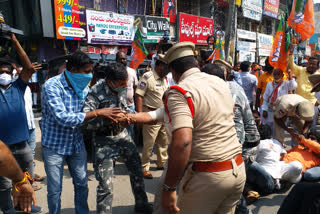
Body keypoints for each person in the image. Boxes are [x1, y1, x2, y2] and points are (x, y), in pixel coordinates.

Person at [160, 42, 245, 214]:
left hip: (209, 177)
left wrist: (169, 188)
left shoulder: (179, 91)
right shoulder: (219, 82)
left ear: (173, 72)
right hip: (237, 170)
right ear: (197, 64)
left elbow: (183, 143)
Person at [41, 51, 121, 214]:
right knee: (55, 190)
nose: (89, 75)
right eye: (86, 72)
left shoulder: (83, 88)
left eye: (90, 71)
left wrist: (113, 115)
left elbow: (91, 110)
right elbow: (62, 118)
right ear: (72, 69)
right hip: (54, 145)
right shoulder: (52, 86)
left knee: (82, 184)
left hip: (76, 143)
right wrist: (97, 113)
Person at [83, 63, 152, 214]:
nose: (125, 86)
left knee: (137, 172)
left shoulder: (120, 87)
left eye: (126, 83)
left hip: (122, 135)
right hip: (103, 139)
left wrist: (127, 117)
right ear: (110, 82)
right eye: (121, 84)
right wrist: (108, 118)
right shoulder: (95, 92)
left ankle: (142, 205)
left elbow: (124, 108)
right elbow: (86, 123)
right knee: (106, 185)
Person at [201, 61, 260, 214]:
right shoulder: (226, 88)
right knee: (231, 187)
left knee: (230, 187)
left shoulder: (228, 93)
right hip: (242, 143)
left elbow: (237, 131)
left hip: (245, 145)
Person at [0, 33, 42, 213]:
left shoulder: (18, 87)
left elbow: (28, 67)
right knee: (4, 183)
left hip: (22, 145)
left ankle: (25, 205)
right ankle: (8, 208)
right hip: (3, 149)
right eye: (1, 72)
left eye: (7, 72)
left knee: (27, 177)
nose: (4, 75)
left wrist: (15, 42)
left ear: (13, 74)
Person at [135, 55, 169, 179]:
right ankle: (145, 168)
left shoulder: (165, 79)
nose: (169, 69)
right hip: (150, 115)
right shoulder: (147, 77)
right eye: (166, 66)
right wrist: (139, 116)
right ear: (160, 65)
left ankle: (161, 163)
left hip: (163, 115)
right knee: (149, 144)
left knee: (163, 142)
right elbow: (139, 95)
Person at [0, 140, 36, 213]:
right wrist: (21, 181)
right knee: (5, 184)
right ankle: (8, 210)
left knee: (28, 167)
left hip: (21, 140)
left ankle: (20, 206)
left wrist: (21, 181)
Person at [261, 69, 297, 133]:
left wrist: (289, 74)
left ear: (282, 75)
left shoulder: (286, 84)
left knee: (280, 128)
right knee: (270, 127)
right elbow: (265, 98)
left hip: (281, 110)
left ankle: (279, 142)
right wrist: (264, 109)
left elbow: (293, 86)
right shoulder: (269, 84)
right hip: (271, 109)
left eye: (278, 74)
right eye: (275, 74)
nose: (276, 76)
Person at [116, 51, 138, 137]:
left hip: (130, 106)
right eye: (120, 59)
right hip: (117, 108)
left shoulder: (132, 72)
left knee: (130, 131)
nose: (122, 61)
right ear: (116, 60)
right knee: (118, 131)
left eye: (124, 59)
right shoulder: (112, 72)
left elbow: (135, 88)